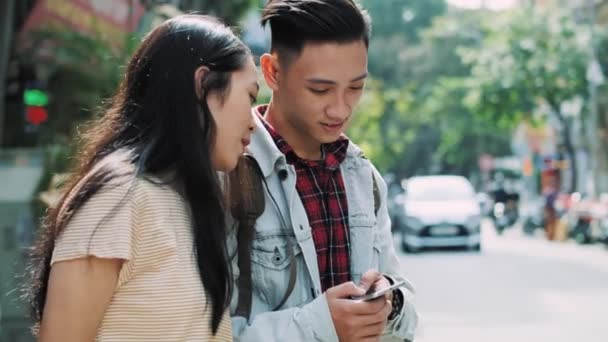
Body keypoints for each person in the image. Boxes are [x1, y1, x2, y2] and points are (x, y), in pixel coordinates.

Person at [24, 14, 258, 341]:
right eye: (250, 96)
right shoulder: (117, 199)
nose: (253, 120)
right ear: (203, 84)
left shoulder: (187, 203)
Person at [229, 1, 418, 341]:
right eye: (320, 90)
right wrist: (322, 325)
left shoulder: (364, 178)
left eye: (356, 87)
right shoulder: (228, 173)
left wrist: (389, 299)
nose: (341, 108)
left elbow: (406, 320)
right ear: (273, 73)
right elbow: (203, 329)